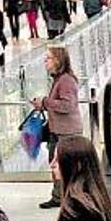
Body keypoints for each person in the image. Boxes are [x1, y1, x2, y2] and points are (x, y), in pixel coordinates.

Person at [33, 47, 84, 209]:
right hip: (58, 130)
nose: (45, 62)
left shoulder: (66, 81)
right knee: (56, 163)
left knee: (65, 165)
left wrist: (45, 102)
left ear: (58, 60)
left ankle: (69, 197)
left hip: (67, 132)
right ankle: (58, 196)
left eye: (48, 58)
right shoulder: (59, 80)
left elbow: (68, 105)